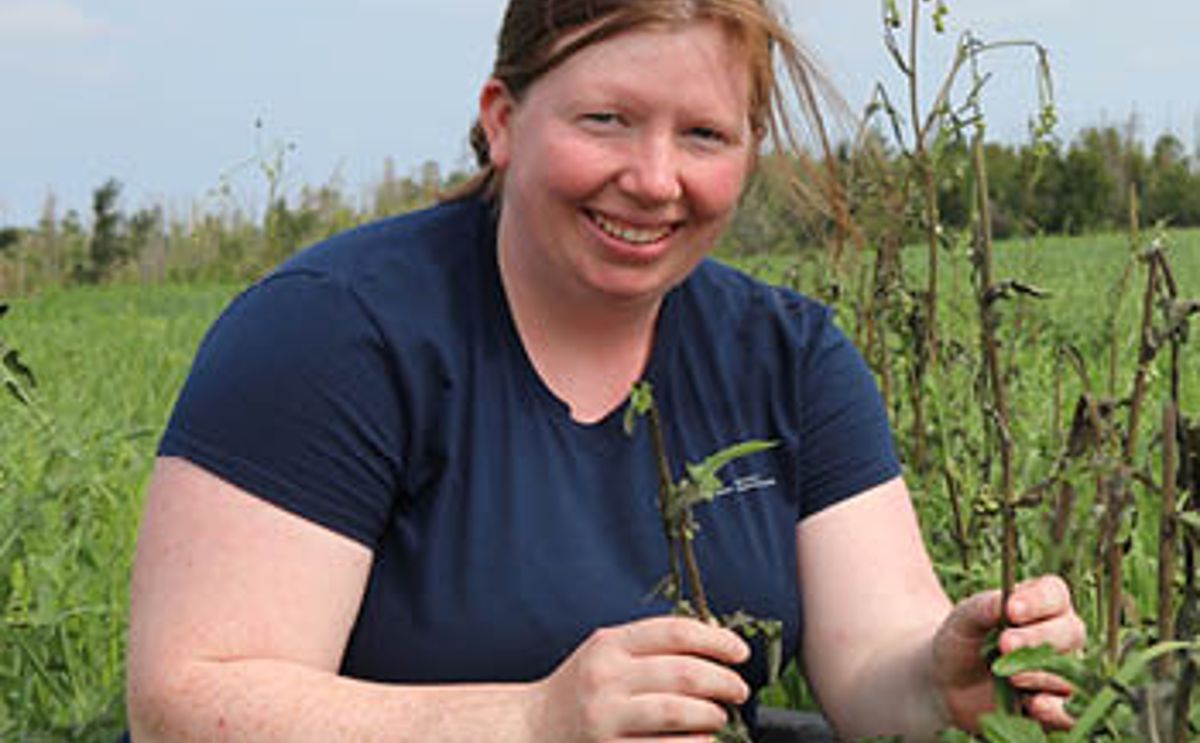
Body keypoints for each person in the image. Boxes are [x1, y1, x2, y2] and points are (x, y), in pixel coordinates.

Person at [125, 0, 1086, 740]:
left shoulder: (790, 356)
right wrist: (531, 720)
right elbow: (187, 703)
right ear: (503, 120)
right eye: (607, 120)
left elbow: (872, 664)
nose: (655, 179)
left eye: (704, 135)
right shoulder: (332, 334)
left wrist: (943, 680)